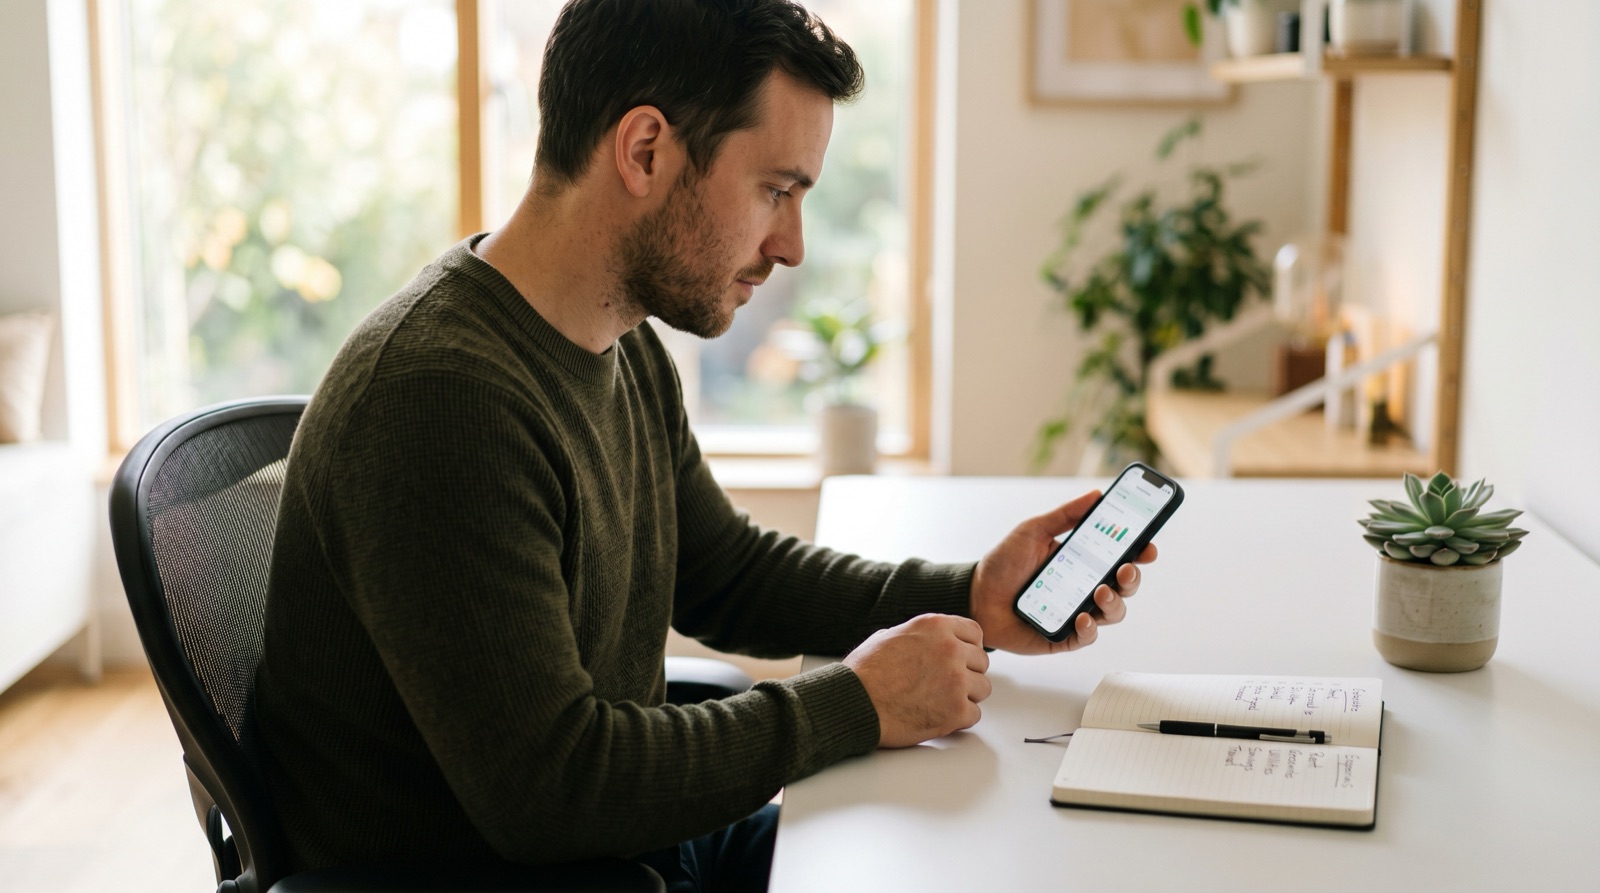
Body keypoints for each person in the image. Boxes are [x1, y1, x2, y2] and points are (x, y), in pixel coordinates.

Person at [253, 0, 1156, 890]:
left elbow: (723, 571)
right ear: (645, 150)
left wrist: (969, 596)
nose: (792, 244)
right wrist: (859, 701)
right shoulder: (440, 405)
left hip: (639, 849)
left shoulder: (620, 341)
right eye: (776, 189)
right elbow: (552, 790)